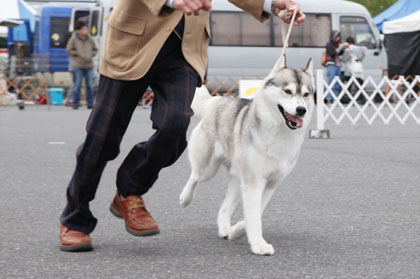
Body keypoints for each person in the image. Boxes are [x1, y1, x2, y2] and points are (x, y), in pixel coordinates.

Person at [59, 0, 305, 252]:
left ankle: (129, 191)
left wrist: (269, 3)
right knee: (102, 140)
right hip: (134, 41)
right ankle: (75, 218)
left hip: (184, 49)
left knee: (174, 127)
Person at [66, 21, 98, 109]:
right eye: (84, 29)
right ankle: (75, 103)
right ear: (79, 30)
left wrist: (91, 54)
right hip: (78, 65)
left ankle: (90, 103)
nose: (86, 30)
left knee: (90, 85)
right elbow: (69, 50)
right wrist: (77, 54)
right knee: (77, 85)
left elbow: (95, 49)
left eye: (86, 29)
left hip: (89, 65)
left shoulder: (90, 39)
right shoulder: (73, 39)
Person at [341, 36, 367, 103]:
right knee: (359, 85)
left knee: (349, 86)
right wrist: (363, 55)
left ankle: (348, 99)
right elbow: (360, 59)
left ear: (347, 43)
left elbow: (344, 60)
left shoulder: (348, 49)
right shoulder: (358, 49)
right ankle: (362, 99)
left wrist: (346, 53)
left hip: (349, 71)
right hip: (357, 71)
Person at [325, 31, 348, 103]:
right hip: (331, 65)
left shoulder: (338, 44)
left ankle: (335, 97)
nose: (338, 38)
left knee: (337, 83)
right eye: (337, 36)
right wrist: (339, 48)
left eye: (339, 36)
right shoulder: (329, 44)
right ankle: (329, 97)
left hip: (338, 65)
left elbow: (340, 53)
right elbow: (332, 53)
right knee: (331, 82)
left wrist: (343, 48)